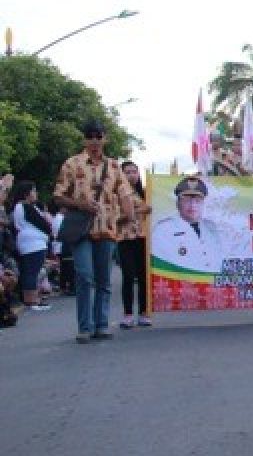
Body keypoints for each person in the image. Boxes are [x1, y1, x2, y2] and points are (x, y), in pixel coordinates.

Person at [53, 120, 135, 343]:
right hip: (81, 230)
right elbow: (58, 195)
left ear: (105, 139)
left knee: (104, 280)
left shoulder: (114, 166)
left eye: (99, 136)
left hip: (107, 228)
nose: (95, 141)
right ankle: (84, 327)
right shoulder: (72, 164)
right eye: (90, 136)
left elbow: (125, 194)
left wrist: (130, 217)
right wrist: (80, 204)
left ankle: (101, 324)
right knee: (84, 275)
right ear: (84, 139)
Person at [149, 176, 223, 275]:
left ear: (203, 204)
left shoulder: (211, 228)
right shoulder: (163, 230)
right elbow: (160, 266)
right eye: (187, 200)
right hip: (180, 285)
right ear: (178, 203)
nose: (193, 206)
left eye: (197, 201)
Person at [116, 162, 152, 329]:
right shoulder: (116, 194)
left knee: (144, 276)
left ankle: (144, 312)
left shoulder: (145, 193)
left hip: (143, 237)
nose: (131, 175)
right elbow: (115, 218)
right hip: (125, 238)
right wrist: (137, 212)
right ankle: (128, 313)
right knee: (128, 276)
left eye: (134, 171)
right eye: (127, 172)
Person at [8, 181, 52, 311]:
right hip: (33, 244)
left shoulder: (21, 207)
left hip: (31, 243)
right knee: (32, 272)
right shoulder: (25, 206)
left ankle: (33, 299)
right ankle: (31, 301)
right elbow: (43, 224)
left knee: (31, 272)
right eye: (33, 191)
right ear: (27, 194)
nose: (36, 193)